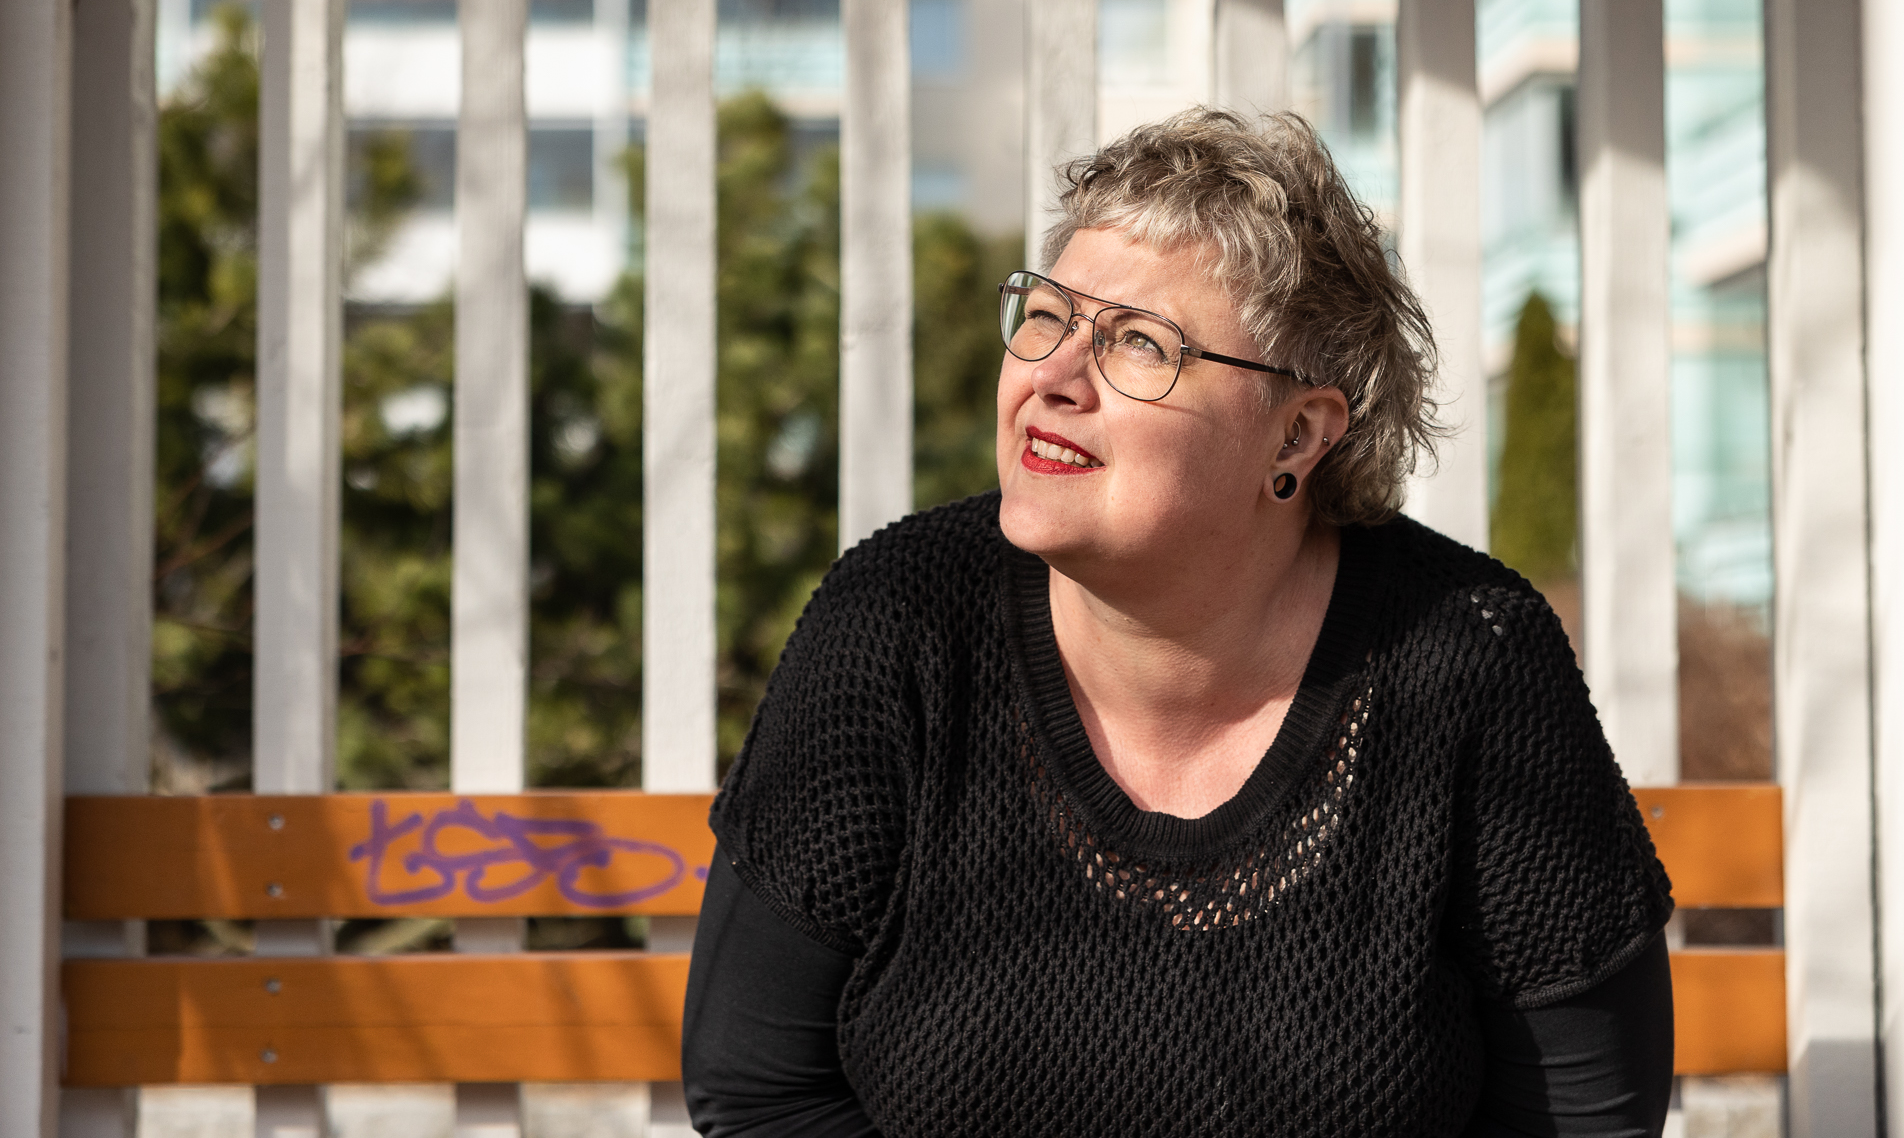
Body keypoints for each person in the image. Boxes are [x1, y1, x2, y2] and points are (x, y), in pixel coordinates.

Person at [681, 109, 1674, 1137]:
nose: (1051, 378)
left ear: (1297, 435)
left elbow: (1582, 1120)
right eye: (1047, 316)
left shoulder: (1466, 660)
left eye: (1137, 343)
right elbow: (760, 1092)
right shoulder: (899, 621)